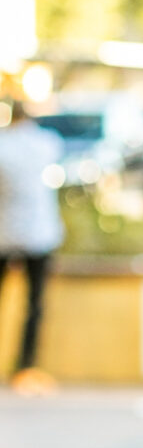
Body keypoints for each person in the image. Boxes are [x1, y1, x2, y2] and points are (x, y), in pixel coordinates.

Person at [0, 96, 64, 392]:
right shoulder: (45, 143)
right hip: (39, 235)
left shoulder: (4, 146)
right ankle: (26, 366)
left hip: (5, 233)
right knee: (34, 305)